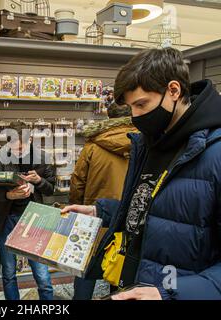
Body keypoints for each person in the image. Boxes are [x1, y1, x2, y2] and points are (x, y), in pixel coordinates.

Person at [63, 47, 221, 300]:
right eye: (131, 107)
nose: (135, 116)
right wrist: (100, 211)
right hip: (134, 283)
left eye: (141, 104)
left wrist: (169, 294)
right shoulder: (151, 143)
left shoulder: (215, 151)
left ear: (173, 90)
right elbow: (154, 212)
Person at [0, 120, 55, 300]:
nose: (18, 151)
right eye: (14, 148)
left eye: (22, 147)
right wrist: (8, 196)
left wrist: (38, 182)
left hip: (34, 220)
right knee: (9, 272)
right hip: (7, 220)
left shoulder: (42, 158)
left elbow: (52, 188)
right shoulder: (1, 157)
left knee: (43, 276)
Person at [70, 103, 137, 300]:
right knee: (120, 272)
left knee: (85, 271)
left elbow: (77, 182)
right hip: (128, 220)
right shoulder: (145, 143)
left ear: (108, 117)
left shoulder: (92, 146)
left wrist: (77, 210)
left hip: (94, 218)